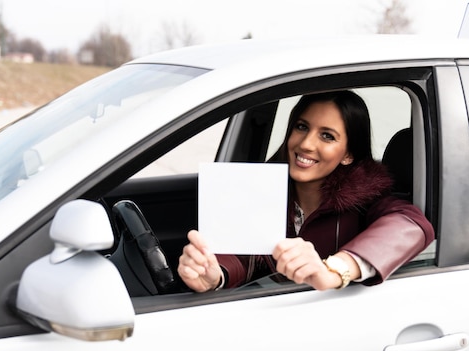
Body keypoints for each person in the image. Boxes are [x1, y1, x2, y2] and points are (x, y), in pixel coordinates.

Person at [178, 90, 435, 292]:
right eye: (302, 127)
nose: (306, 144)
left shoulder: (368, 202)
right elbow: (243, 257)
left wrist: (334, 270)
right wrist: (214, 275)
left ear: (348, 154)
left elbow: (411, 225)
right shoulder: (260, 190)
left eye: (327, 136)